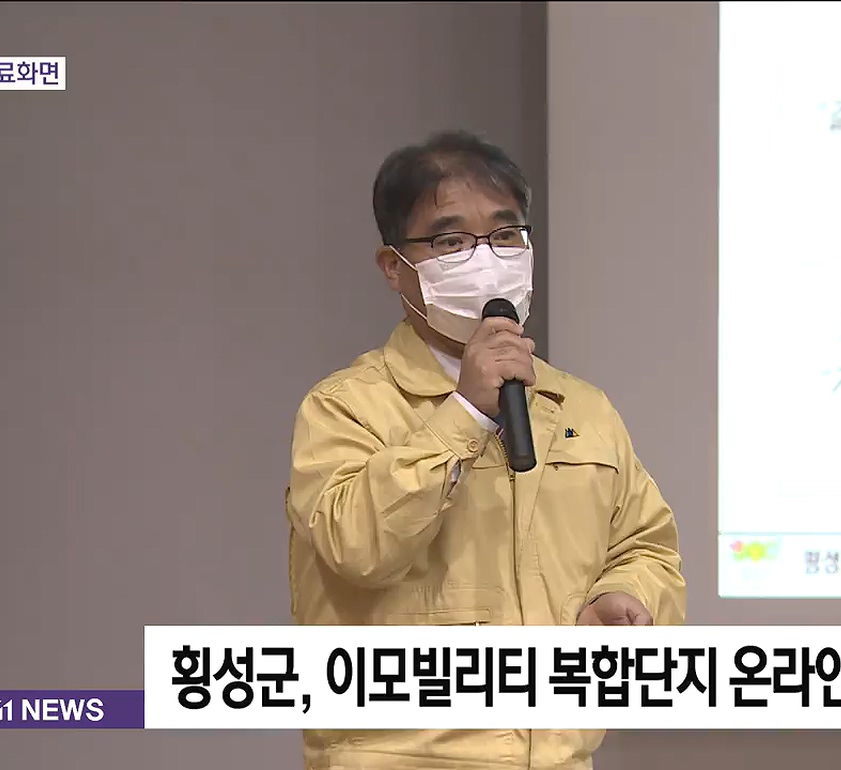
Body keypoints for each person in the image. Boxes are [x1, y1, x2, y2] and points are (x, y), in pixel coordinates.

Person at [284, 130, 687, 770]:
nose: (487, 260)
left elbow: (647, 545)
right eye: (451, 242)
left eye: (506, 235)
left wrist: (627, 595)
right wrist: (466, 414)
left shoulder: (580, 408)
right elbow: (356, 546)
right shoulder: (346, 406)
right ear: (394, 267)